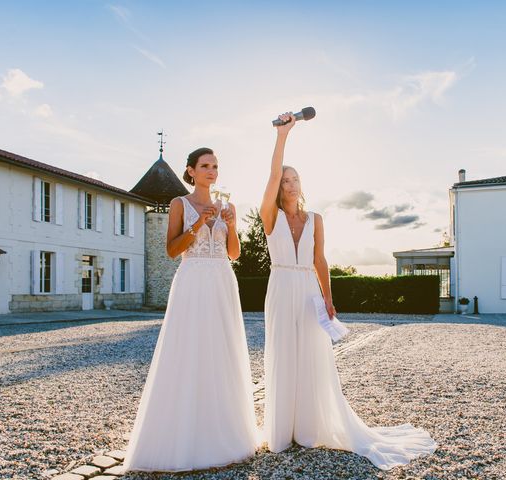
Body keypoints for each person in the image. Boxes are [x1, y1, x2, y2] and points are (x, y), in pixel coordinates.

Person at [259, 114, 437, 470]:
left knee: (311, 355)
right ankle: (281, 432)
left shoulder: (315, 219)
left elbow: (320, 260)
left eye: (295, 179)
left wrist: (328, 297)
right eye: (285, 180)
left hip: (307, 287)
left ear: (301, 184)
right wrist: (283, 136)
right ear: (278, 187)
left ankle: (308, 430)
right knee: (282, 352)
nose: (290, 184)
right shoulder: (270, 216)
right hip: (280, 286)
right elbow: (273, 172)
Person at [123, 147, 260, 472]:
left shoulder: (228, 205)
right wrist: (198, 224)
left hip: (222, 281)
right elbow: (172, 250)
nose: (212, 171)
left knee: (221, 351)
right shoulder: (178, 204)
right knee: (189, 351)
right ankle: (183, 435)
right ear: (191, 171)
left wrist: (231, 226)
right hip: (193, 279)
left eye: (215, 166)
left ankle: (225, 433)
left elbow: (235, 253)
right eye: (205, 166)